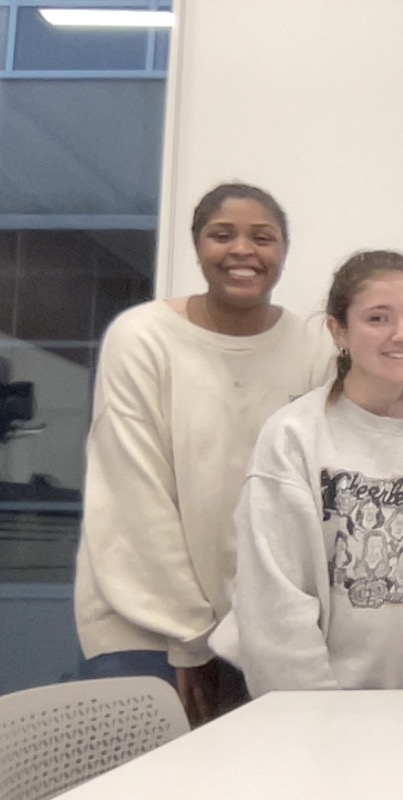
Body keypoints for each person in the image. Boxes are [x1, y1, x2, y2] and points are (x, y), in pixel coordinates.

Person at [74, 182, 331, 725]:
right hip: (142, 620)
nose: (243, 250)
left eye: (262, 237)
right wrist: (191, 638)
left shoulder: (315, 349)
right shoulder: (143, 338)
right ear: (197, 246)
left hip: (257, 627)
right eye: (222, 235)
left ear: (284, 250)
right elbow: (135, 498)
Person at [209, 250, 403, 695]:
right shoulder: (293, 437)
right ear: (338, 330)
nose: (402, 334)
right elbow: (275, 599)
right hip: (298, 703)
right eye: (378, 318)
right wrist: (320, 712)